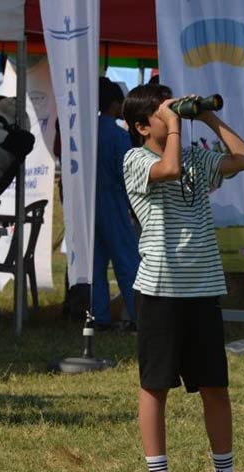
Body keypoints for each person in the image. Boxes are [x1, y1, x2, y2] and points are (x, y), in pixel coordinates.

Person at [122, 84, 244, 472]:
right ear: (143, 127)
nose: (170, 116)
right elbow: (170, 170)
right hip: (160, 289)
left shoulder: (195, 154)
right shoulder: (135, 159)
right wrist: (177, 128)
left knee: (215, 385)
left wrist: (209, 117)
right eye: (161, 113)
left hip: (201, 287)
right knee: (155, 384)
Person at [92, 78, 140, 330]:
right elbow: (128, 176)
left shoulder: (87, 131)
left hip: (90, 206)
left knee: (95, 265)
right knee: (128, 262)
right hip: (114, 202)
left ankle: (97, 316)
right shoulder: (118, 135)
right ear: (114, 104)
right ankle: (138, 316)